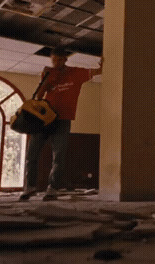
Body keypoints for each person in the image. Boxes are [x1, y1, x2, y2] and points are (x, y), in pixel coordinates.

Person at [20, 46, 102, 201]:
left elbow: (98, 71)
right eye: (53, 60)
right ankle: (30, 187)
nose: (55, 63)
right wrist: (46, 81)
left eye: (59, 60)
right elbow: (39, 95)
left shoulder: (76, 73)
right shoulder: (48, 72)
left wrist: (105, 61)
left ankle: (52, 189)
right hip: (44, 118)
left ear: (65, 59)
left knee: (59, 156)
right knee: (32, 154)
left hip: (63, 119)